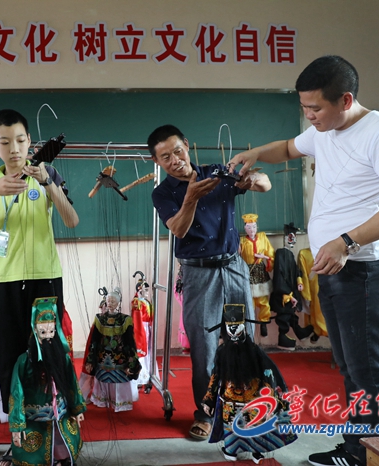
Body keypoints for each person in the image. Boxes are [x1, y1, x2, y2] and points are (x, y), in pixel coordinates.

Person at [227, 55, 379, 466]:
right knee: (350, 367)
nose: (309, 116)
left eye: (315, 108)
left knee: (370, 370)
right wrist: (254, 154)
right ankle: (358, 448)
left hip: (365, 270)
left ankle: (375, 455)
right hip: (334, 270)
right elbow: (286, 148)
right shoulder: (324, 130)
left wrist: (346, 242)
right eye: (304, 107)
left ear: (345, 100)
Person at [0, 109, 78, 466]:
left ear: (30, 142)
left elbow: (71, 220)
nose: (14, 148)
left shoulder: (48, 174)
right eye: (5, 141)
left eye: (21, 140)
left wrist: (48, 184)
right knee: (12, 362)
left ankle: (57, 444)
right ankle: (21, 445)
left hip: (45, 280)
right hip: (5, 283)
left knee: (49, 358)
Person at [147, 124, 271, 441]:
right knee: (203, 347)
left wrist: (253, 180)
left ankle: (246, 407)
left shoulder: (217, 172)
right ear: (157, 162)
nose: (175, 160)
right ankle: (206, 413)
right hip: (198, 274)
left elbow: (265, 184)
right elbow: (178, 229)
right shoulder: (162, 193)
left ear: (187, 146)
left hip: (233, 269)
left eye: (177, 151)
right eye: (165, 157)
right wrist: (190, 198)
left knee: (242, 340)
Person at [202, 304, 297, 464]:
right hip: (230, 401)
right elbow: (215, 376)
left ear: (244, 327)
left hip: (253, 400)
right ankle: (231, 450)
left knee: (255, 427)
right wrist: (209, 399)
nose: (233, 332)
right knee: (232, 430)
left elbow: (268, 372)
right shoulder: (222, 351)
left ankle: (257, 451)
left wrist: (273, 397)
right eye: (230, 328)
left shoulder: (254, 350)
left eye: (237, 327)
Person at [9, 297, 86, 466]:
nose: (48, 337)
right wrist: (17, 425)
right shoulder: (24, 361)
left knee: (64, 443)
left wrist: (77, 408)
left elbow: (72, 383)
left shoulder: (62, 358)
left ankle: (60, 459)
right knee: (33, 452)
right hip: (34, 418)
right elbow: (16, 393)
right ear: (35, 331)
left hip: (60, 415)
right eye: (43, 333)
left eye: (51, 332)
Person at [79, 286, 141, 412]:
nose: (110, 303)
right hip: (102, 356)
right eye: (108, 300)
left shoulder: (125, 319)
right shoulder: (100, 318)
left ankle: (120, 401)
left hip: (120, 357)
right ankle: (103, 399)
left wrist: (132, 361)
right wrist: (91, 359)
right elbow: (94, 341)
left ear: (118, 303)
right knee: (103, 377)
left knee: (119, 378)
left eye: (113, 301)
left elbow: (130, 341)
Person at [238, 213, 274, 337]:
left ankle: (263, 321)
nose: (252, 230)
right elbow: (238, 256)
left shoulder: (263, 238)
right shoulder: (242, 241)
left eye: (254, 227)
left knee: (263, 299)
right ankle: (249, 325)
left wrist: (264, 257)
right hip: (247, 271)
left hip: (260, 270)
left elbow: (270, 253)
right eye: (249, 227)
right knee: (249, 301)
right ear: (245, 229)